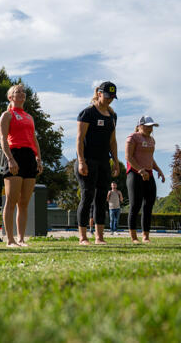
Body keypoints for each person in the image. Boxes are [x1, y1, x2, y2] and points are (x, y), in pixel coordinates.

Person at [0, 84, 43, 247]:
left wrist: (38, 158)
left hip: (29, 157)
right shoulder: (6, 115)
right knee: (12, 200)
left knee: (24, 202)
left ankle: (21, 239)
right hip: (14, 155)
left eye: (23, 92)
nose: (22, 94)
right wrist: (10, 159)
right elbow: (3, 139)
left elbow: (34, 138)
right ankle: (10, 240)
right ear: (10, 97)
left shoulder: (29, 117)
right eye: (18, 92)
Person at [75, 82, 120, 245]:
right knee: (87, 197)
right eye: (107, 96)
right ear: (99, 93)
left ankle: (99, 237)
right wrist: (81, 161)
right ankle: (83, 237)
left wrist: (115, 161)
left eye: (112, 97)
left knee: (101, 199)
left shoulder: (113, 116)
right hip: (87, 160)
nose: (110, 100)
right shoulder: (87, 113)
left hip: (103, 161)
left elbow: (112, 141)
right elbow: (79, 139)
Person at [124, 116, 165, 243]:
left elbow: (150, 158)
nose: (150, 128)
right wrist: (140, 170)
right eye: (148, 126)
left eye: (152, 126)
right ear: (140, 125)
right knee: (135, 205)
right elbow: (128, 157)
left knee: (148, 205)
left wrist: (158, 169)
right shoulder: (132, 137)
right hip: (135, 174)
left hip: (149, 174)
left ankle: (146, 236)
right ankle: (134, 237)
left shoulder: (152, 140)